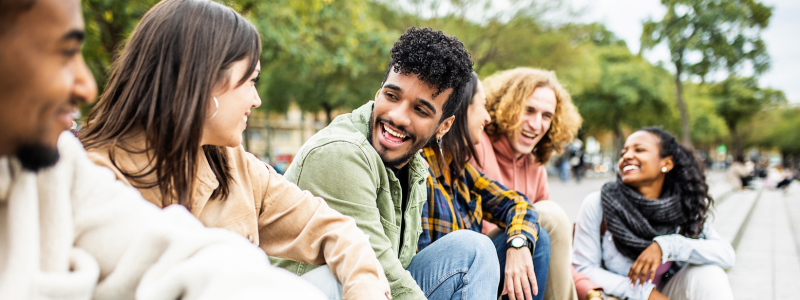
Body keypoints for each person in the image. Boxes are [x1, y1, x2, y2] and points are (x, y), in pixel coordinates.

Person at [0, 0, 328, 298]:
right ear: (201, 82)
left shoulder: (58, 168)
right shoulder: (95, 165)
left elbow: (172, 253)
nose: (86, 85)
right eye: (64, 53)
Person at [79, 1, 390, 299]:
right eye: (250, 80)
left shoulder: (234, 166)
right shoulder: (93, 176)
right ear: (202, 80)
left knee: (342, 278)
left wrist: (364, 287)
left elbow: (337, 230)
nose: (256, 100)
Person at [272, 27, 500, 300]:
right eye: (392, 96)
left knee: (473, 250)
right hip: (319, 291)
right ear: (379, 92)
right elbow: (376, 269)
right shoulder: (339, 154)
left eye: (420, 110)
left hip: (377, 289)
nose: (398, 117)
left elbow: (398, 270)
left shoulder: (415, 168)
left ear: (444, 126)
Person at [472, 67, 601, 300]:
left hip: (523, 265)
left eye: (546, 116)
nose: (536, 124)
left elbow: (556, 250)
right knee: (546, 216)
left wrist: (587, 289)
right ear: (507, 107)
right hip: (480, 264)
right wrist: (518, 240)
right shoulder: (477, 143)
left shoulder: (535, 164)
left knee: (543, 229)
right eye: (528, 110)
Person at [418, 72, 550, 300]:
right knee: (474, 246)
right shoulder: (419, 169)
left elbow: (518, 203)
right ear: (460, 110)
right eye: (483, 106)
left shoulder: (458, 169)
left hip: (470, 281)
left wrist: (518, 243)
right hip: (425, 288)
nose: (488, 118)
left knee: (536, 239)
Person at [573, 127, 735, 300]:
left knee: (709, 273)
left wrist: (667, 246)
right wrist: (645, 294)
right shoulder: (598, 203)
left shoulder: (683, 205)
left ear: (666, 164)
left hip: (669, 291)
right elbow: (584, 269)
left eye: (639, 150)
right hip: (619, 296)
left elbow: (726, 255)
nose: (627, 156)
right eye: (624, 152)